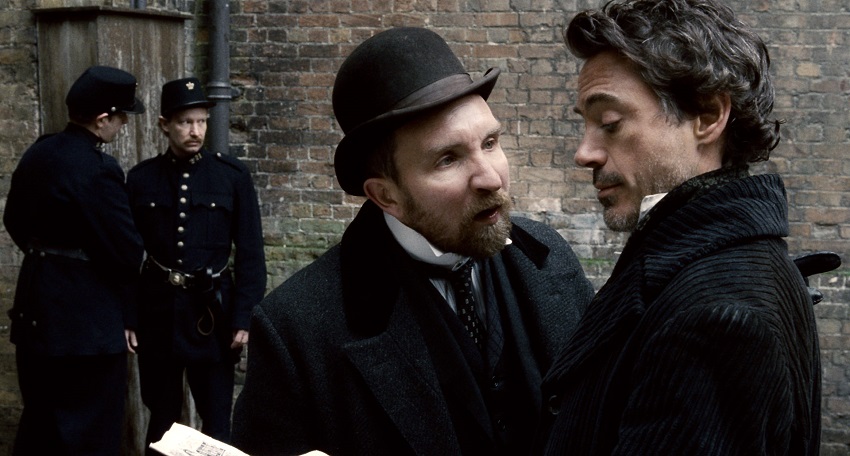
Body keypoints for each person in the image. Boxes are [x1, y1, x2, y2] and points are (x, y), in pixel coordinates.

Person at [231, 27, 594, 455]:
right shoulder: (297, 332)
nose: (491, 178)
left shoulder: (551, 259)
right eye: (448, 159)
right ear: (387, 196)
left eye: (490, 143)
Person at [535, 0, 822, 454]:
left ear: (707, 116)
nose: (583, 153)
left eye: (609, 123)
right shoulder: (698, 264)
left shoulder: (718, 317)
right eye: (586, 125)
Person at [4, 65, 146, 455]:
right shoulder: (98, 170)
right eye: (121, 117)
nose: (123, 124)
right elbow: (127, 251)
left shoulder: (39, 152)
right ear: (101, 119)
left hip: (35, 314)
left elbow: (14, 221)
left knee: (40, 429)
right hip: (85, 328)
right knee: (89, 435)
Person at [125, 77, 267, 449]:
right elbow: (129, 255)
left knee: (217, 419)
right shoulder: (141, 179)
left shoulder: (231, 177)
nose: (196, 131)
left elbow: (251, 253)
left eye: (202, 121)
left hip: (213, 316)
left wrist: (243, 318)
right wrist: (130, 316)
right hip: (158, 315)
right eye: (186, 122)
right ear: (164, 125)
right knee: (162, 418)